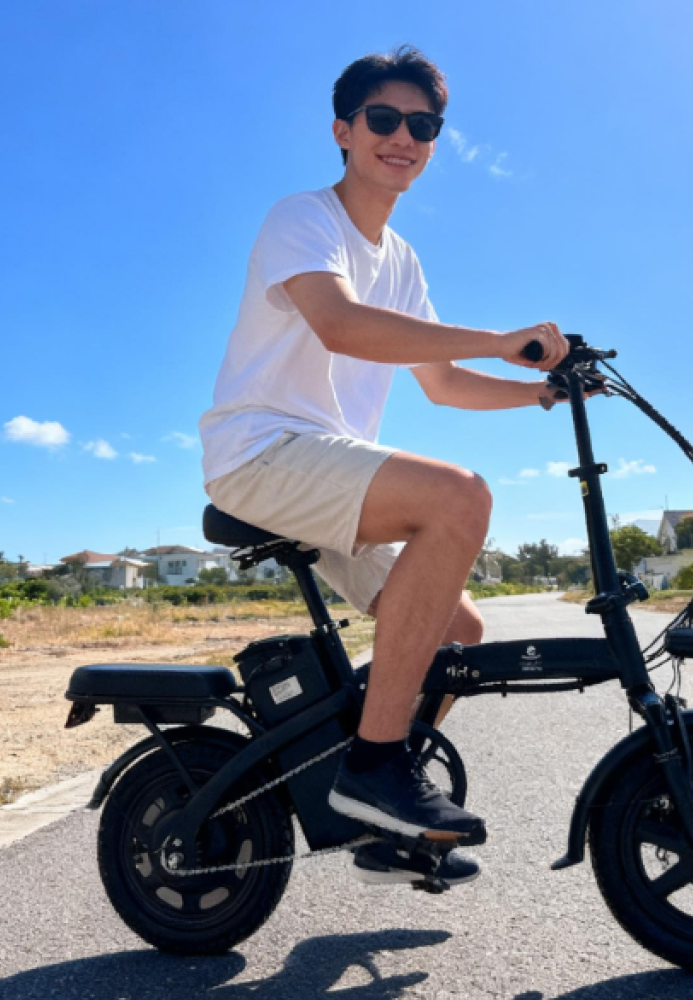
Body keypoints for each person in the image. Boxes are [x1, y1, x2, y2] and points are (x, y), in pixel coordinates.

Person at [197, 46, 570, 888]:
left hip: (328, 465)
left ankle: (372, 815)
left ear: (435, 143)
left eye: (424, 125)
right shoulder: (303, 218)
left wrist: (545, 394)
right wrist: (502, 338)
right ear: (344, 130)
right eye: (384, 119)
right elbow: (342, 326)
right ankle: (374, 764)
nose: (404, 136)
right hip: (262, 453)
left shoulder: (401, 258)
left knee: (461, 633)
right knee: (459, 497)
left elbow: (439, 386)